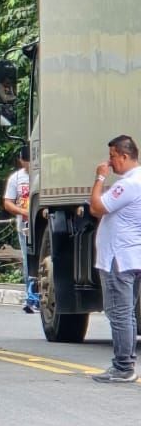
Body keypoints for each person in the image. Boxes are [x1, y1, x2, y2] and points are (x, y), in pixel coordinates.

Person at [87, 134, 141, 383]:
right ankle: (125, 362)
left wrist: (99, 178)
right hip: (132, 256)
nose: (110, 163)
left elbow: (97, 208)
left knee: (119, 313)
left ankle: (123, 367)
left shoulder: (128, 184)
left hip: (118, 257)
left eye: (112, 157)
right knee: (127, 312)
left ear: (125, 155)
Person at [3, 144, 40, 314]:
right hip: (24, 226)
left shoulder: (43, 176)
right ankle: (31, 298)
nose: (29, 165)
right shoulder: (16, 178)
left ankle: (40, 297)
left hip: (41, 225)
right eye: (26, 162)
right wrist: (23, 211)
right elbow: (8, 202)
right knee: (28, 262)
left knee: (43, 261)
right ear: (21, 161)